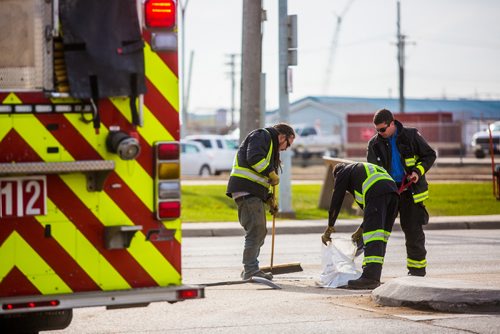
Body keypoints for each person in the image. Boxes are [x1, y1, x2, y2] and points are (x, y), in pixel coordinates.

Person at [367, 108, 436, 277]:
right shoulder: (374, 144)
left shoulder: (411, 135)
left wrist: (417, 172)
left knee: (413, 232)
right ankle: (372, 274)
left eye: (383, 129)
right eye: (377, 130)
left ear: (392, 123)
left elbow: (429, 155)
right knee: (379, 233)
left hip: (409, 192)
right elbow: (372, 170)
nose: (380, 133)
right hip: (389, 193)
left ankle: (417, 271)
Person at [226, 123, 295, 281]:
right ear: (282, 137)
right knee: (256, 229)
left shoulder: (270, 146)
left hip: (252, 191)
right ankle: (250, 270)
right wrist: (271, 173)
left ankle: (250, 269)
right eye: (288, 144)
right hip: (246, 190)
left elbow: (261, 178)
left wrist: (269, 198)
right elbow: (254, 158)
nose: (285, 149)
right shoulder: (261, 135)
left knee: (259, 231)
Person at [321, 162, 399, 289]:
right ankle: (374, 276)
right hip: (393, 194)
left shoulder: (343, 171)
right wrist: (361, 229)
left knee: (373, 236)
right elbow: (370, 212)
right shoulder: (360, 172)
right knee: (380, 237)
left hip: (378, 192)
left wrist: (330, 227)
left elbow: (337, 199)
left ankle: (370, 278)